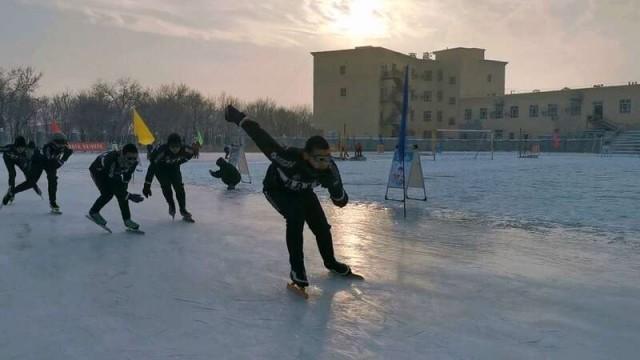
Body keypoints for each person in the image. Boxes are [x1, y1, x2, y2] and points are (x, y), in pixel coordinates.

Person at [224, 104, 353, 288]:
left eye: (328, 157)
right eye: (320, 159)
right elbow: (261, 137)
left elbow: (340, 200)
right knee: (295, 217)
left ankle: (330, 262)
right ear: (307, 156)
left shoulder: (329, 170)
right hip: (276, 189)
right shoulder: (288, 158)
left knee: (322, 227)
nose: (326, 163)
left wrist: (338, 194)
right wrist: (238, 117)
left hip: (303, 192)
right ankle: (297, 270)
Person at [3, 133, 73, 212]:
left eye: (63, 145)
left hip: (50, 163)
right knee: (31, 182)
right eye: (59, 145)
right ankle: (11, 192)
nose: (62, 147)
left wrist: (64, 156)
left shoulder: (63, 147)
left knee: (53, 180)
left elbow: (53, 166)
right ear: (53, 143)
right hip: (38, 162)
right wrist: (64, 158)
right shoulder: (47, 148)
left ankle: (53, 202)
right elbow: (52, 165)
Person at [87, 144, 144, 231]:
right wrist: (129, 196)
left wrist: (125, 192)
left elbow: (127, 175)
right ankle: (94, 212)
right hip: (98, 171)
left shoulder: (134, 162)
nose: (132, 161)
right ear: (122, 155)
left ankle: (127, 219)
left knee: (123, 194)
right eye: (129, 158)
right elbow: (114, 185)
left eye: (134, 158)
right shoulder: (112, 161)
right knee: (108, 193)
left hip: (114, 172)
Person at [143, 133, 195, 221]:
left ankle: (183, 209)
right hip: (160, 168)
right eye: (172, 147)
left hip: (173, 167)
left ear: (181, 145)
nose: (175, 149)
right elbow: (152, 168)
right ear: (168, 146)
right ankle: (171, 205)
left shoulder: (185, 149)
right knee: (166, 186)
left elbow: (190, 155)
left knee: (179, 187)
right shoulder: (162, 151)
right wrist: (147, 185)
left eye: (177, 146)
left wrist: (179, 161)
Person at [1, 136, 42, 203]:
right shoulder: (9, 148)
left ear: (24, 147)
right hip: (8, 160)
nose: (20, 150)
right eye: (18, 148)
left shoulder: (26, 151)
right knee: (12, 173)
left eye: (22, 148)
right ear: (15, 146)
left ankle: (35, 187)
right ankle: (11, 191)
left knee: (27, 172)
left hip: (19, 160)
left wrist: (35, 187)